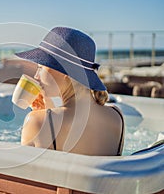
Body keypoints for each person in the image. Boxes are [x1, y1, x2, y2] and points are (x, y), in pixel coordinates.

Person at [15, 27, 124, 156]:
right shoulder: (117, 116)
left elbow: (24, 174)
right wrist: (47, 112)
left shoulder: (37, 122)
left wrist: (41, 118)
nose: (36, 76)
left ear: (65, 72)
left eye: (41, 67)